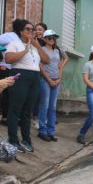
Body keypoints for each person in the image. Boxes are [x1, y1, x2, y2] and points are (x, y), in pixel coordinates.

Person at [5, 19, 49, 153]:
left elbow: (46, 60)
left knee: (27, 111)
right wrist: (25, 50)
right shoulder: (14, 43)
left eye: (33, 29)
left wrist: (37, 45)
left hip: (35, 78)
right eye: (28, 29)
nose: (31, 31)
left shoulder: (35, 46)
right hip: (20, 76)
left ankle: (26, 140)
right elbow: (8, 59)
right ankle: (13, 140)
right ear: (21, 31)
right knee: (15, 110)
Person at [37, 30, 62, 142]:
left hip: (56, 81)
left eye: (54, 37)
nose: (52, 39)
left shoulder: (57, 50)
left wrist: (59, 78)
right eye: (49, 37)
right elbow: (40, 67)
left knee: (52, 107)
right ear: (45, 39)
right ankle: (42, 131)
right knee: (45, 106)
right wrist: (49, 80)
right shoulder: (42, 50)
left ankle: (51, 132)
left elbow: (60, 66)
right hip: (45, 80)